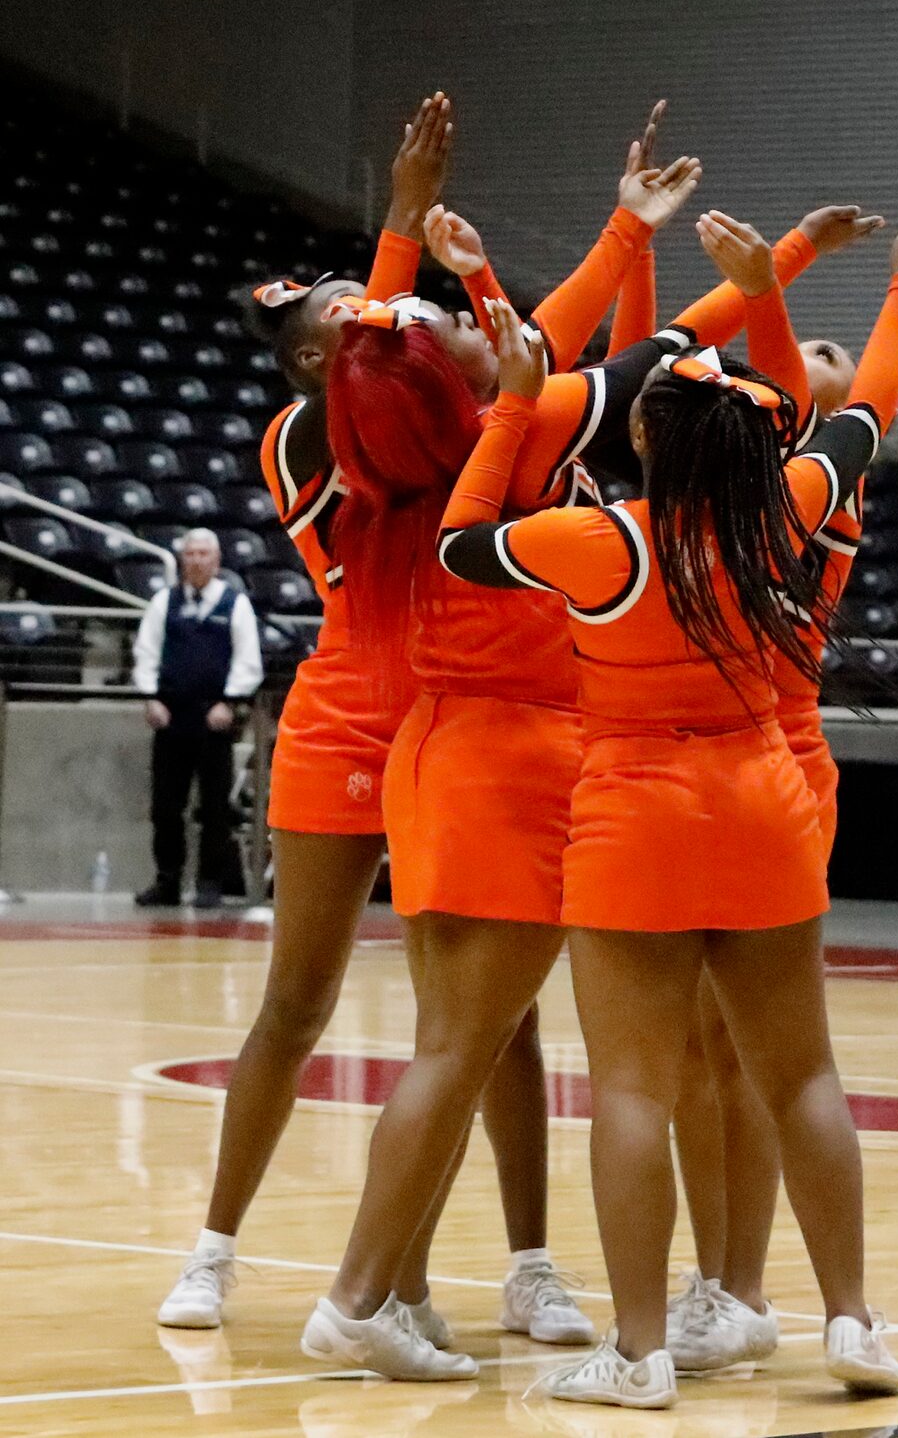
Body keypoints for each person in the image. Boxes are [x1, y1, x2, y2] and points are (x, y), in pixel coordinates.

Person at [435, 206, 898, 1408]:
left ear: (650, 446)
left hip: (631, 819)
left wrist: (514, 402)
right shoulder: (794, 505)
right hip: (768, 798)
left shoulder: (595, 539)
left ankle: (640, 1352)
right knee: (802, 1077)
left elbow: (461, 547)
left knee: (632, 1088)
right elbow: (866, 413)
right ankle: (852, 1324)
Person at [156, 92, 587, 1353]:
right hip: (349, 720)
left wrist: (440, 260)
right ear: (313, 363)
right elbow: (388, 361)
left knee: (493, 1023)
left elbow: (509, 369)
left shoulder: (451, 419)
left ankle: (529, 1269)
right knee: (296, 1000)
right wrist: (400, 221)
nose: (384, 314)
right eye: (355, 313)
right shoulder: (301, 447)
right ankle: (213, 1252)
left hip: (462, 722)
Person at [132, 528, 263, 910]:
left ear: (217, 560)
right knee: (166, 807)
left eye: (204, 553)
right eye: (190, 553)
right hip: (170, 717)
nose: (197, 560)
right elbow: (146, 652)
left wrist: (229, 701)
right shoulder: (163, 602)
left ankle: (210, 883)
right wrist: (151, 698)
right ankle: (168, 881)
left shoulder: (234, 604)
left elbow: (248, 660)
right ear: (182, 559)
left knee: (215, 808)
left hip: (215, 720)